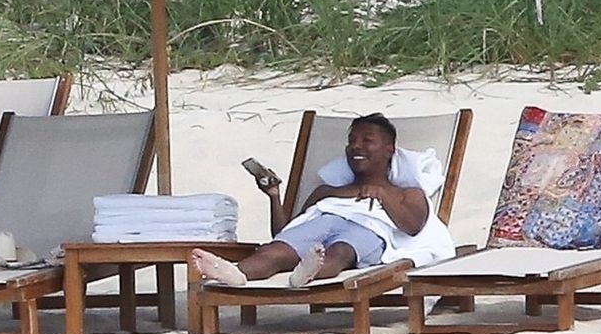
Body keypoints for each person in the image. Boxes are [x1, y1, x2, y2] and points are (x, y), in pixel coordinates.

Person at [193, 113, 454, 287]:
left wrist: (383, 196)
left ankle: (308, 273)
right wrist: (274, 197)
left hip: (367, 229)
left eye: (367, 140)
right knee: (274, 251)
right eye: (351, 141)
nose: (356, 146)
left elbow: (413, 227)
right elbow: (286, 233)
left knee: (340, 252)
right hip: (326, 221)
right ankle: (236, 274)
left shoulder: (408, 193)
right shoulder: (326, 192)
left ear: (390, 149)